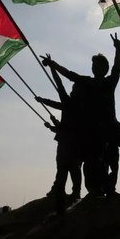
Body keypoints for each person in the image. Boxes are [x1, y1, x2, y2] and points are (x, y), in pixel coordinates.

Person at [41, 34, 120, 197]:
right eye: (93, 65)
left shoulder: (109, 82)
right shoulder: (87, 82)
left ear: (104, 68)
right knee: (93, 162)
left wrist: (118, 49)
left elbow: (117, 68)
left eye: (97, 65)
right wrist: (53, 64)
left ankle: (112, 189)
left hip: (111, 126)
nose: (94, 67)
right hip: (96, 130)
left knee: (117, 158)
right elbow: (69, 75)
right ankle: (96, 190)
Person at [35, 59, 84, 201]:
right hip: (73, 141)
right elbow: (59, 88)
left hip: (69, 141)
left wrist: (52, 67)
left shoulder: (71, 103)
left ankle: (66, 191)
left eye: (74, 89)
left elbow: (59, 85)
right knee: (69, 168)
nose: (72, 90)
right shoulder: (81, 107)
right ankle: (68, 191)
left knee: (66, 167)